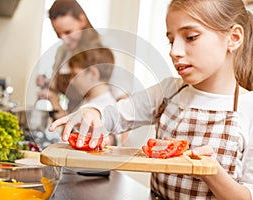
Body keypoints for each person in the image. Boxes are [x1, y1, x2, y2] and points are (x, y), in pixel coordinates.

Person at [49, 0, 253, 199]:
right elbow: (115, 115)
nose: (174, 52)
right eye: (171, 41)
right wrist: (94, 112)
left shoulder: (249, 109)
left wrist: (211, 171)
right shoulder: (168, 91)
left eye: (191, 37)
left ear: (233, 38)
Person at [36, 0, 128, 120]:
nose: (64, 39)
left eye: (68, 32)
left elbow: (122, 96)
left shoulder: (106, 46)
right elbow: (56, 85)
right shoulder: (62, 51)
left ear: (82, 20)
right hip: (73, 118)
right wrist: (48, 83)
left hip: (101, 120)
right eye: (58, 34)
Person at [68, 47, 117, 145]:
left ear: (93, 73)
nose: (71, 81)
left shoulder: (106, 108)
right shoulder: (88, 99)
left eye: (75, 74)